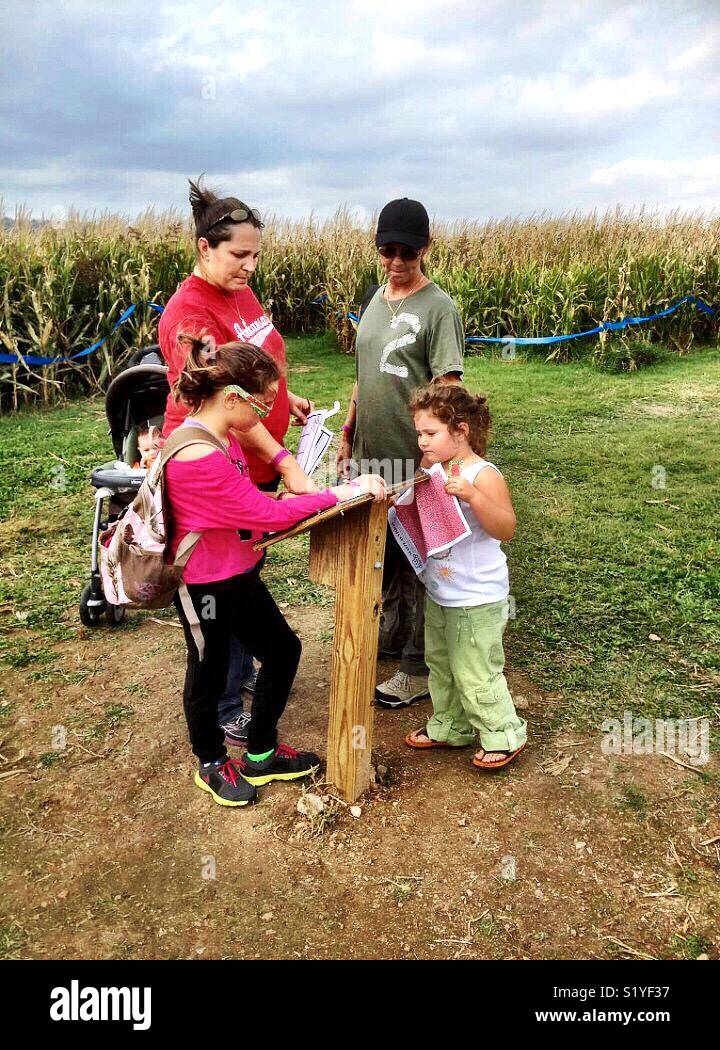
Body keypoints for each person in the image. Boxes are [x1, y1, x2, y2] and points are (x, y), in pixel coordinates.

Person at [165, 335, 386, 806]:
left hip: (237, 573)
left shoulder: (219, 435)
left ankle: (260, 754)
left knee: (282, 650)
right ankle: (210, 762)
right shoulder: (196, 455)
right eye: (262, 408)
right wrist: (339, 494)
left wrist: (289, 497)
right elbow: (262, 515)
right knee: (208, 668)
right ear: (231, 399)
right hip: (204, 584)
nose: (265, 418)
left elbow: (247, 505)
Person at [159, 177, 317, 747]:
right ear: (205, 248)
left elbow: (255, 366)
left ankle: (246, 673)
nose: (250, 265)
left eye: (256, 254)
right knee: (222, 587)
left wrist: (284, 402)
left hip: (255, 463)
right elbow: (223, 405)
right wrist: (281, 455)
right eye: (238, 254)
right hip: (221, 474)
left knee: (247, 575)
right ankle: (226, 705)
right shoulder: (190, 318)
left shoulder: (239, 293)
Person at [337, 197, 464, 709]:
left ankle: (417, 666)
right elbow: (363, 374)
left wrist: (435, 455)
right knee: (382, 551)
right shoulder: (373, 298)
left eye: (406, 251)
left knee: (419, 559)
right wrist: (348, 429)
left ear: (425, 248)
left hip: (412, 459)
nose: (395, 261)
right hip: (370, 452)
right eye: (386, 250)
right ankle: (391, 633)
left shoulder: (439, 309)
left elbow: (448, 390)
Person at [402, 384, 527, 769]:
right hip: (442, 592)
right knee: (441, 664)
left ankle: (503, 732)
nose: (422, 441)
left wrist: (474, 496)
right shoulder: (433, 470)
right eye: (419, 433)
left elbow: (506, 527)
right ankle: (450, 724)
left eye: (431, 433)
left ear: (460, 430)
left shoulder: (483, 474)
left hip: (477, 597)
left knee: (475, 670)